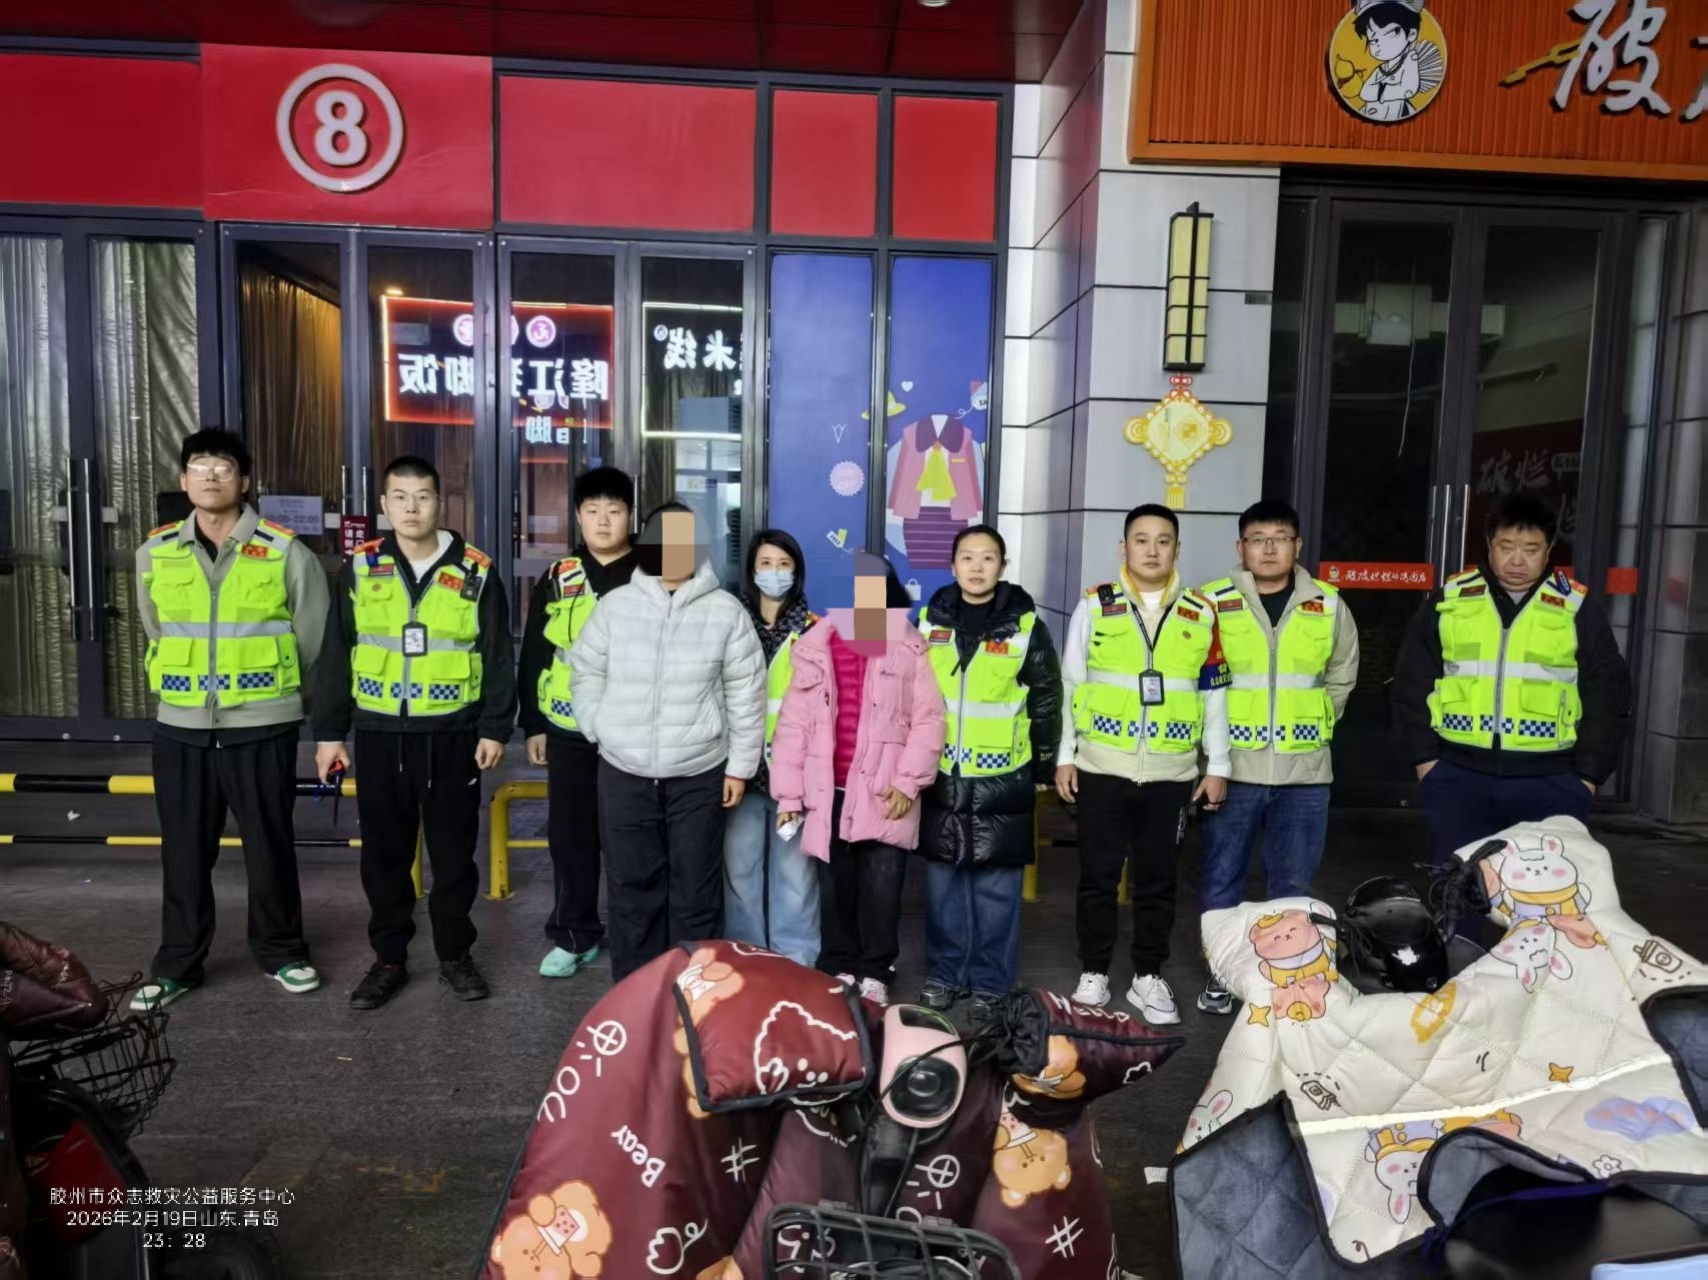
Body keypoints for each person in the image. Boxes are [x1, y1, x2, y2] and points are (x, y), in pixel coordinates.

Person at [128, 429, 330, 1012]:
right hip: (182, 726)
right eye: (199, 466)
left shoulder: (286, 551)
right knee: (183, 851)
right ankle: (178, 963)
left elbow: (311, 637)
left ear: (244, 481)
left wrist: (270, 693)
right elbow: (156, 628)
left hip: (261, 724)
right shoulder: (155, 552)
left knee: (269, 845)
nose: (211, 475)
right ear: (184, 479)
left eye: (223, 466)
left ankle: (282, 952)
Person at [312, 456, 515, 1007]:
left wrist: (495, 728)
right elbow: (337, 651)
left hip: (452, 735)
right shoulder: (361, 567)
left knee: (454, 857)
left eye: (422, 497)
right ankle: (389, 960)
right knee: (383, 856)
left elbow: (497, 654)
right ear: (384, 505)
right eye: (399, 497)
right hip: (379, 734)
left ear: (439, 503)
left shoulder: (475, 570)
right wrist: (329, 734)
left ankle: (455, 956)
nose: (411, 508)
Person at [569, 502, 766, 981]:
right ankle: (637, 992)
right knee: (631, 888)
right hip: (624, 771)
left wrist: (740, 767)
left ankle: (692, 992)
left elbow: (746, 694)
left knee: (695, 891)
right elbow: (586, 671)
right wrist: (599, 726)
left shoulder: (726, 612)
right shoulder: (616, 606)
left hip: (699, 773)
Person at [1055, 503, 1229, 1025]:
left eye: (1163, 541)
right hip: (1101, 767)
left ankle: (1148, 976)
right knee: (1097, 877)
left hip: (1171, 774)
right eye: (1141, 540)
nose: (1152, 550)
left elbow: (1215, 694)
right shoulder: (1095, 606)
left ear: (1177, 549)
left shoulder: (1202, 611)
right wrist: (1065, 756)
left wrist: (1217, 765)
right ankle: (1094, 970)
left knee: (1158, 881)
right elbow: (1070, 685)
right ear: (1124, 548)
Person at [1392, 493, 1632, 869]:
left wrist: (1587, 777)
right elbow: (1411, 683)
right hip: (1459, 776)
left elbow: (1608, 697)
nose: (1517, 559)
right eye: (1506, 547)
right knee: (1459, 888)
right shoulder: (1450, 601)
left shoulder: (1576, 610)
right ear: (1489, 545)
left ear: (1548, 551)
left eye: (1530, 549)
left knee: (1544, 892)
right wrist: (1426, 763)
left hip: (1552, 780)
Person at [1194, 500, 1361, 1015]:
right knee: (1222, 880)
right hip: (1233, 768)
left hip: (1304, 772)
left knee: (1293, 886)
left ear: (1297, 545)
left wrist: (1314, 722)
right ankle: (1222, 975)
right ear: (1240, 546)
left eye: (1280, 538)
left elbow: (1343, 674)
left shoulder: (1328, 604)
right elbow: (1193, 677)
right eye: (1258, 539)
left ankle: (1285, 980)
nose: (1269, 548)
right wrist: (1209, 755)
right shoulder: (1210, 602)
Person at [771, 552, 946, 1005]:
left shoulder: (909, 646)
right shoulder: (817, 645)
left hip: (885, 790)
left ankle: (875, 972)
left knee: (882, 889)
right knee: (836, 888)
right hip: (828, 789)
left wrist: (908, 782)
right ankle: (838, 965)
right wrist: (789, 794)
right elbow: (793, 724)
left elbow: (929, 719)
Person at [912, 526, 1060, 1019]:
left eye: (988, 558)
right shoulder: (927, 622)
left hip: (1004, 777)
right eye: (968, 558)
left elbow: (1046, 697)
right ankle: (945, 974)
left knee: (997, 891)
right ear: (952, 565)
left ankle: (992, 983)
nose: (977, 567)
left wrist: (1044, 764)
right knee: (943, 887)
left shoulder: (1026, 626)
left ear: (1003, 565)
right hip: (940, 775)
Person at [517, 466, 638, 979]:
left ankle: (636, 939)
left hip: (635, 732)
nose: (603, 521)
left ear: (630, 516)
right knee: (571, 837)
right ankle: (574, 934)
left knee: (633, 840)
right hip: (568, 730)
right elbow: (536, 653)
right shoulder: (558, 576)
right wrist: (533, 724)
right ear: (579, 516)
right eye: (592, 511)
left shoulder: (654, 573)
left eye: (614, 510)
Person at [722, 530, 821, 966]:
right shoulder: (730, 622)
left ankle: (795, 962)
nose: (774, 573)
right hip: (740, 771)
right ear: (751, 570)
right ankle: (747, 960)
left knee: (795, 874)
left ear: (797, 571)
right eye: (765, 564)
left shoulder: (816, 630)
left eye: (784, 564)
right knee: (740, 871)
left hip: (794, 776)